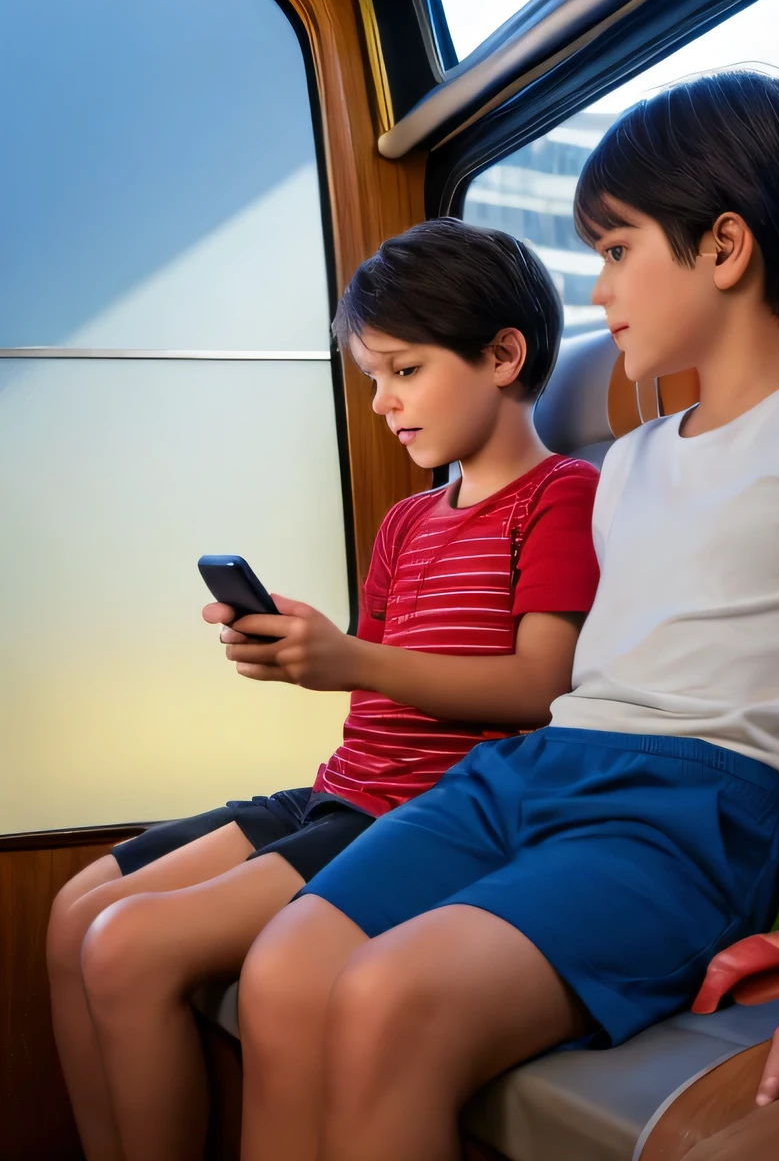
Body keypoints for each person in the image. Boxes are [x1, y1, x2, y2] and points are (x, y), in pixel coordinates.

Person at [236, 68, 779, 1161]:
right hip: (529, 772)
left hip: (684, 806)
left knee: (385, 996)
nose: (598, 287)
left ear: (722, 247)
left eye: (615, 251)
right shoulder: (628, 461)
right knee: (283, 967)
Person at [46, 219, 600, 1161]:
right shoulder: (407, 522)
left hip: (418, 810)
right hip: (340, 785)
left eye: (405, 371)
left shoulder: (564, 496)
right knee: (76, 913)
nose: (382, 402)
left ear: (504, 355)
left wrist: (348, 659)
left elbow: (540, 689)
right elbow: (376, 683)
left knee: (126, 945)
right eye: (371, 378)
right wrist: (303, 659)